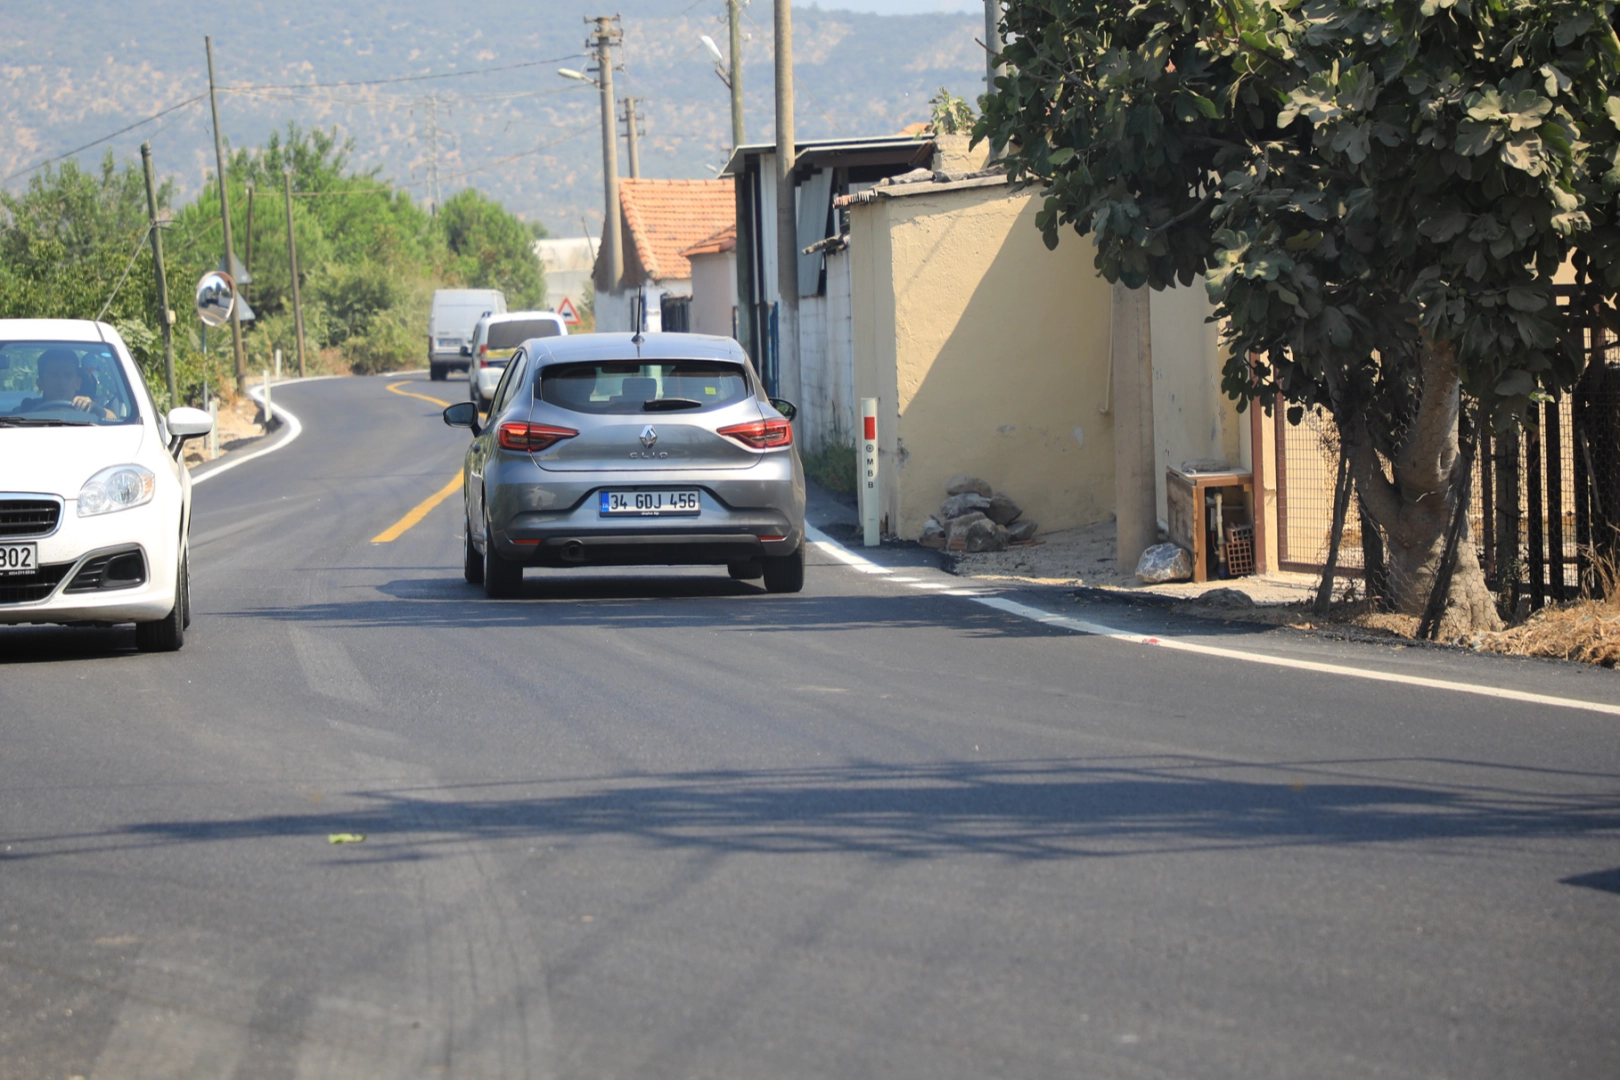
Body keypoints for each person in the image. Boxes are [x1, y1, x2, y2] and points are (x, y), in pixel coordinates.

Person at [19, 349, 115, 419]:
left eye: (68, 375)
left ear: (78, 383)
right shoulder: (27, 409)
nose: (61, 382)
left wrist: (96, 409)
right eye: (54, 375)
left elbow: (116, 421)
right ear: (40, 383)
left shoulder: (89, 408)